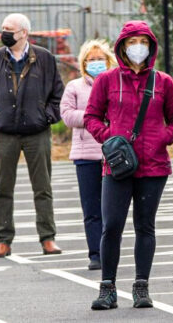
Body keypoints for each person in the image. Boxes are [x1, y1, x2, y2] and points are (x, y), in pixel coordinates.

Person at [84, 20, 173, 310]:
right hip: (116, 166)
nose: (137, 47)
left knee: (145, 226)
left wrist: (161, 138)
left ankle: (142, 286)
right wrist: (108, 137)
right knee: (112, 226)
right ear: (122, 47)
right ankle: (107, 288)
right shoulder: (107, 80)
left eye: (142, 41)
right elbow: (92, 116)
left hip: (153, 166)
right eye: (131, 42)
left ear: (151, 46)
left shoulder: (163, 82)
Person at [0, 13, 65, 257]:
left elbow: (58, 95)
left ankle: (47, 238)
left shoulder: (45, 58)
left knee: (43, 187)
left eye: (9, 29)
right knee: (3, 187)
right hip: (4, 133)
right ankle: (3, 239)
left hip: (37, 132)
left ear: (24, 33)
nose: (3, 32)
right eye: (3, 28)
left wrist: (46, 116)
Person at [61, 39, 117, 271]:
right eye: (91, 60)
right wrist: (93, 116)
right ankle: (95, 254)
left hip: (112, 154)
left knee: (112, 210)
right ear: (84, 63)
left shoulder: (116, 83)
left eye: (99, 59)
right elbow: (67, 115)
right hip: (85, 156)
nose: (95, 63)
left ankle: (110, 251)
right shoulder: (74, 87)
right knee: (91, 209)